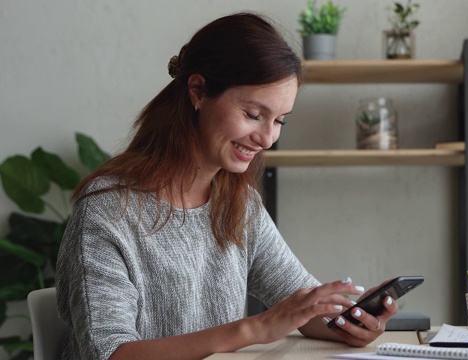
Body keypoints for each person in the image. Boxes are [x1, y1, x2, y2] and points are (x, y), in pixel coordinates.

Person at [55, 12, 398, 360]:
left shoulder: (237, 201)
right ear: (198, 92)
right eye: (253, 114)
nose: (267, 138)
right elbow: (109, 353)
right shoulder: (108, 213)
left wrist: (348, 324)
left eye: (279, 120)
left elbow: (298, 303)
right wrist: (255, 328)